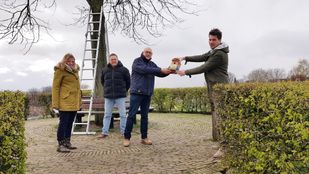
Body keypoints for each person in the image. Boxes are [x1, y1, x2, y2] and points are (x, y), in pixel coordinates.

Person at [176, 28, 229, 159]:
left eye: (214, 40)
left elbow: (204, 67)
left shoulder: (219, 54)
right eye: (209, 39)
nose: (211, 42)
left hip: (219, 88)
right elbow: (202, 57)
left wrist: (185, 72)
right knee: (218, 116)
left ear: (219, 40)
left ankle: (225, 147)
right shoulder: (214, 51)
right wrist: (185, 58)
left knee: (222, 118)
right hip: (213, 87)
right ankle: (223, 143)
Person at [123, 47, 172, 147]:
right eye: (146, 52)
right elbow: (145, 70)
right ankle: (127, 138)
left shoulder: (152, 64)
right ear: (143, 52)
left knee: (145, 117)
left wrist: (170, 70)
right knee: (131, 115)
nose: (148, 54)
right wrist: (160, 69)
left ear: (151, 54)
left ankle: (144, 138)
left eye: (150, 52)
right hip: (136, 93)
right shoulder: (137, 62)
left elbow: (159, 73)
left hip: (147, 94)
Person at [52, 53, 81, 153]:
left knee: (70, 123)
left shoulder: (75, 70)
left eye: (73, 61)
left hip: (74, 101)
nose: (71, 63)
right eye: (69, 61)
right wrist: (55, 103)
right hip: (64, 101)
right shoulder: (60, 70)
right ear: (65, 61)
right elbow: (55, 87)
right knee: (63, 123)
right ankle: (60, 144)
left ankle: (67, 142)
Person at [98, 53, 131, 139]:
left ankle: (124, 132)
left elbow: (128, 83)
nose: (113, 61)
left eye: (115, 59)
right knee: (107, 115)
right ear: (109, 60)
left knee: (123, 115)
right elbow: (102, 82)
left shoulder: (124, 70)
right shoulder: (104, 70)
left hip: (120, 96)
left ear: (117, 59)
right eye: (111, 59)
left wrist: (124, 91)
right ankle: (104, 132)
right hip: (108, 96)